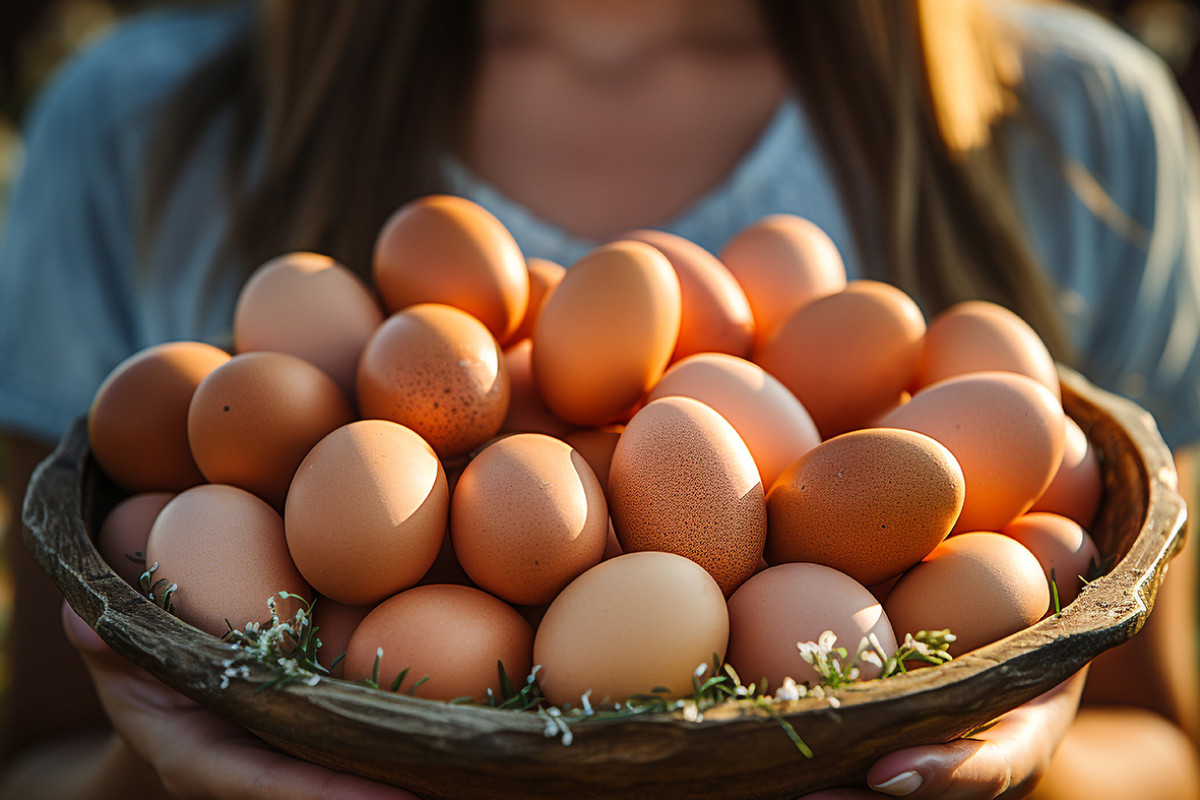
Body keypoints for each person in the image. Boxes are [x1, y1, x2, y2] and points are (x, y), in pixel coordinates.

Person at [0, 1, 1197, 798]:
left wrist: (1026, 769)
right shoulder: (136, 134)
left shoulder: (1080, 128)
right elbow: (38, 751)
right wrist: (161, 762)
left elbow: (1164, 746)